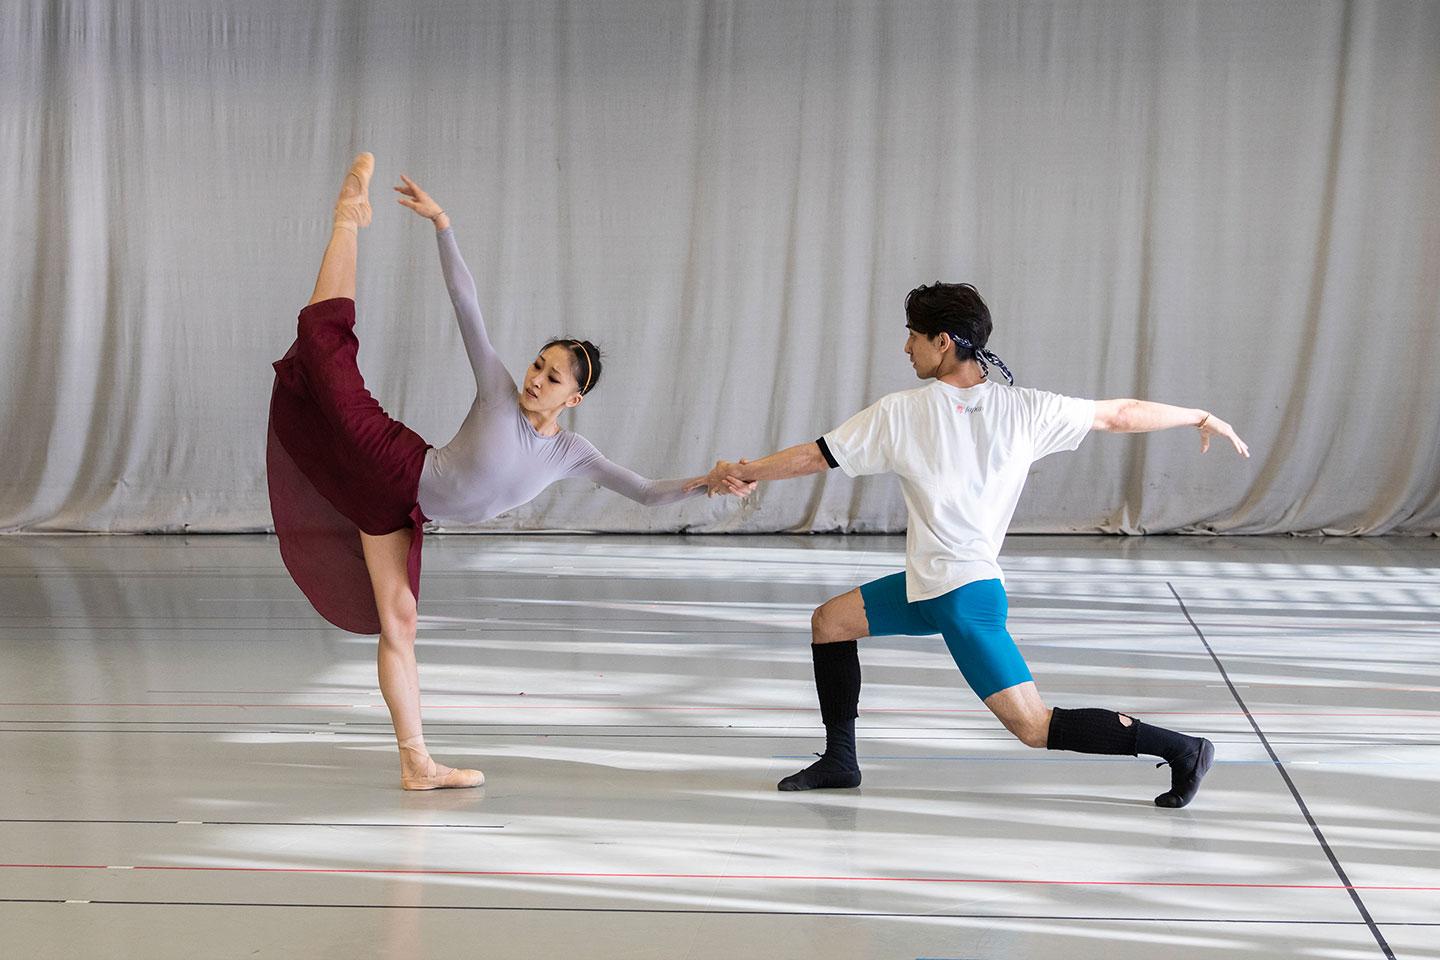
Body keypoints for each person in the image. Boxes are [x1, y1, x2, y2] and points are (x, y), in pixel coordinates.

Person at [266, 154, 750, 790]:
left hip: (400, 512)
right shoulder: (497, 388)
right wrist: (443, 224)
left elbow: (646, 493)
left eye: (551, 378)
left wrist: (705, 482)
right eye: (537, 363)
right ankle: (348, 219)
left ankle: (416, 762)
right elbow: (465, 301)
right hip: (387, 459)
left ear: (572, 400)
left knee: (400, 623)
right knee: (326, 345)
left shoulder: (571, 455)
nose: (534, 377)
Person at [692, 281, 1249, 808]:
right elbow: (1118, 414)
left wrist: (742, 470)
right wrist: (1198, 416)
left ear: (944, 341)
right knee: (830, 622)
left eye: (913, 334)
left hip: (963, 597)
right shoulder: (1025, 409)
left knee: (1033, 726)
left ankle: (1183, 749)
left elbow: (815, 456)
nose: (904, 346)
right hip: (930, 585)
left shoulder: (904, 413)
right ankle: (841, 760)